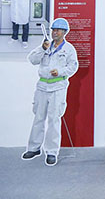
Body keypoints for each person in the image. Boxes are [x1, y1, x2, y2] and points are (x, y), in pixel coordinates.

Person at [22, 18, 78, 166]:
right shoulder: (46, 45)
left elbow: (73, 67)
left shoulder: (69, 49)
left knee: (54, 119)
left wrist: (59, 71)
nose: (54, 32)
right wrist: (42, 48)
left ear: (64, 32)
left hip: (58, 87)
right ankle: (34, 148)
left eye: (58, 30)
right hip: (42, 87)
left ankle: (52, 151)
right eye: (53, 29)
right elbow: (32, 59)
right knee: (38, 118)